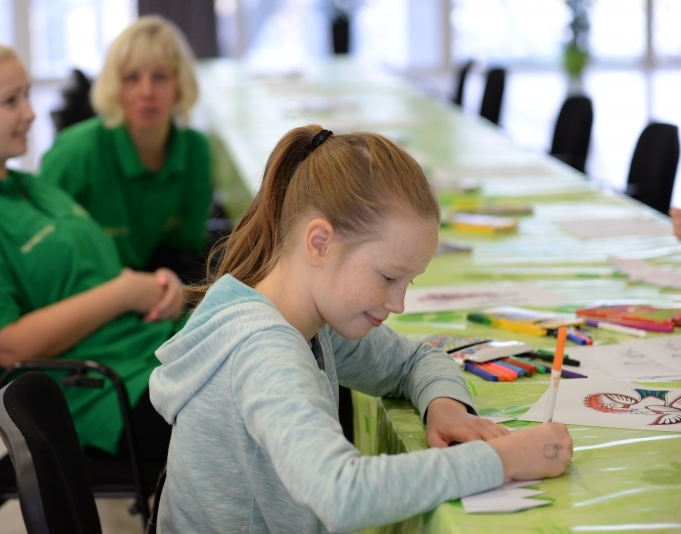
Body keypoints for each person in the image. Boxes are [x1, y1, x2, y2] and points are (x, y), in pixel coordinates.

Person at [149, 125, 574, 533]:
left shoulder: (309, 321)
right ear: (320, 243)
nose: (398, 303)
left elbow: (414, 360)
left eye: (408, 283)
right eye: (388, 277)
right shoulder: (265, 351)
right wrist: (503, 460)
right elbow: (341, 494)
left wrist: (444, 406)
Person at [0, 39, 181, 462]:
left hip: (151, 350)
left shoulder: (30, 187)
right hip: (104, 392)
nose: (30, 113)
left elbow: (86, 276)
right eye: (11, 101)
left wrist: (159, 289)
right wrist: (125, 292)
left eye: (27, 95)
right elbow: (8, 346)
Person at [39, 15, 213, 288]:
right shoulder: (73, 154)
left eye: (160, 76)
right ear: (114, 87)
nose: (147, 92)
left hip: (158, 292)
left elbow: (185, 253)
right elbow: (46, 259)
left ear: (180, 85)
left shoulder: (196, 150)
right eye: (131, 78)